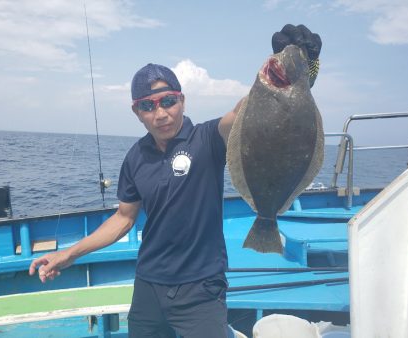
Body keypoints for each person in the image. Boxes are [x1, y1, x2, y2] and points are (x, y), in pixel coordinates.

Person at [29, 24, 321, 338]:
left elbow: (255, 107)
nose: (161, 113)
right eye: (148, 105)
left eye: (168, 101)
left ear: (182, 100)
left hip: (202, 288)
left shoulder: (208, 138)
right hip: (149, 285)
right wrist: (68, 254)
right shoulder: (135, 158)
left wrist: (303, 67)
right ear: (136, 112)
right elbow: (124, 218)